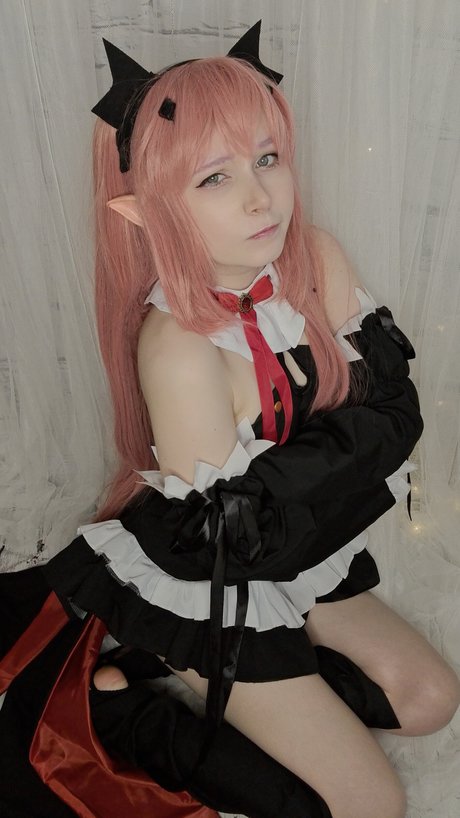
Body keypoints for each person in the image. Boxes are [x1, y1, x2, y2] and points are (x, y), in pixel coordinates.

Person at [1, 20, 459, 818]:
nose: (259, 198)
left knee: (430, 702)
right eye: (214, 178)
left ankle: (190, 683)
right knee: (368, 805)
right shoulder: (178, 349)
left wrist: (321, 468)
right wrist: (351, 453)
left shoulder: (316, 258)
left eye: (267, 159)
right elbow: (242, 538)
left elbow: (400, 408)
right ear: (144, 210)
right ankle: (134, 715)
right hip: (216, 589)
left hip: (299, 550)